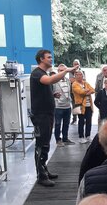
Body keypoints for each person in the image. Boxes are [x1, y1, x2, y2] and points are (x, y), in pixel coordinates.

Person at [30, 49, 78, 187]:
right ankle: (41, 175)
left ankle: (44, 169)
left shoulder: (42, 73)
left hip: (47, 114)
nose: (51, 59)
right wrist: (66, 70)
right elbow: (51, 80)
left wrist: (52, 95)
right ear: (41, 59)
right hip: (41, 115)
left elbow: (42, 89)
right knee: (41, 144)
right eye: (48, 57)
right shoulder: (37, 73)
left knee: (45, 143)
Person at [52, 63, 75, 146]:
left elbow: (70, 93)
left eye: (64, 70)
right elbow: (50, 92)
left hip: (67, 106)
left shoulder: (68, 81)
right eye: (61, 70)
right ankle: (58, 140)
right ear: (58, 71)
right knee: (57, 124)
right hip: (58, 106)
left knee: (66, 123)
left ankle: (65, 138)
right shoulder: (54, 81)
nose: (63, 72)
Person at [71, 70, 95, 144]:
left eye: (80, 74)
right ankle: (81, 137)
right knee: (81, 121)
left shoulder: (86, 83)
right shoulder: (74, 84)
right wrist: (87, 91)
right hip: (80, 105)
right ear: (75, 76)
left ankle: (88, 136)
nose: (79, 76)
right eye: (77, 74)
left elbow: (93, 90)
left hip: (89, 105)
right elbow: (80, 92)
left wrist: (85, 91)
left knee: (89, 121)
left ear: (83, 75)